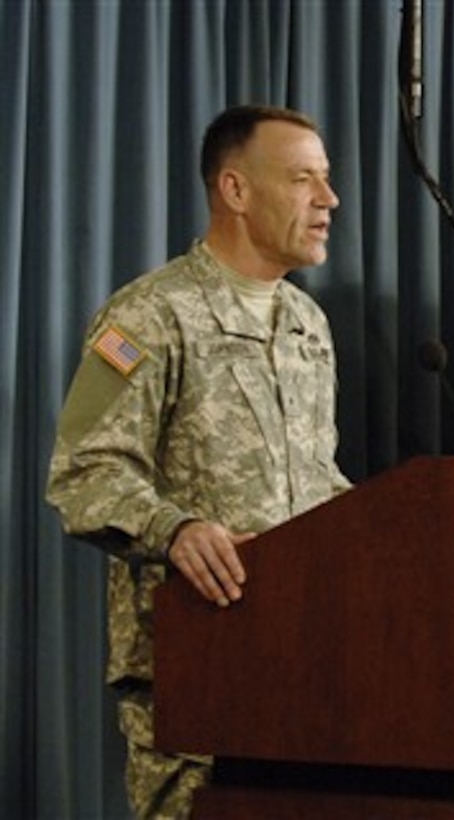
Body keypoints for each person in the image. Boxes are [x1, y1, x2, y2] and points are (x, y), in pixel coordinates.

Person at [46, 104, 352, 818]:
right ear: (235, 190)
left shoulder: (307, 323)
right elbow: (82, 470)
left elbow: (318, 481)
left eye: (327, 180)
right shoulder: (145, 318)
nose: (328, 200)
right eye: (304, 179)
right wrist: (177, 529)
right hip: (198, 682)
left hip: (307, 672)